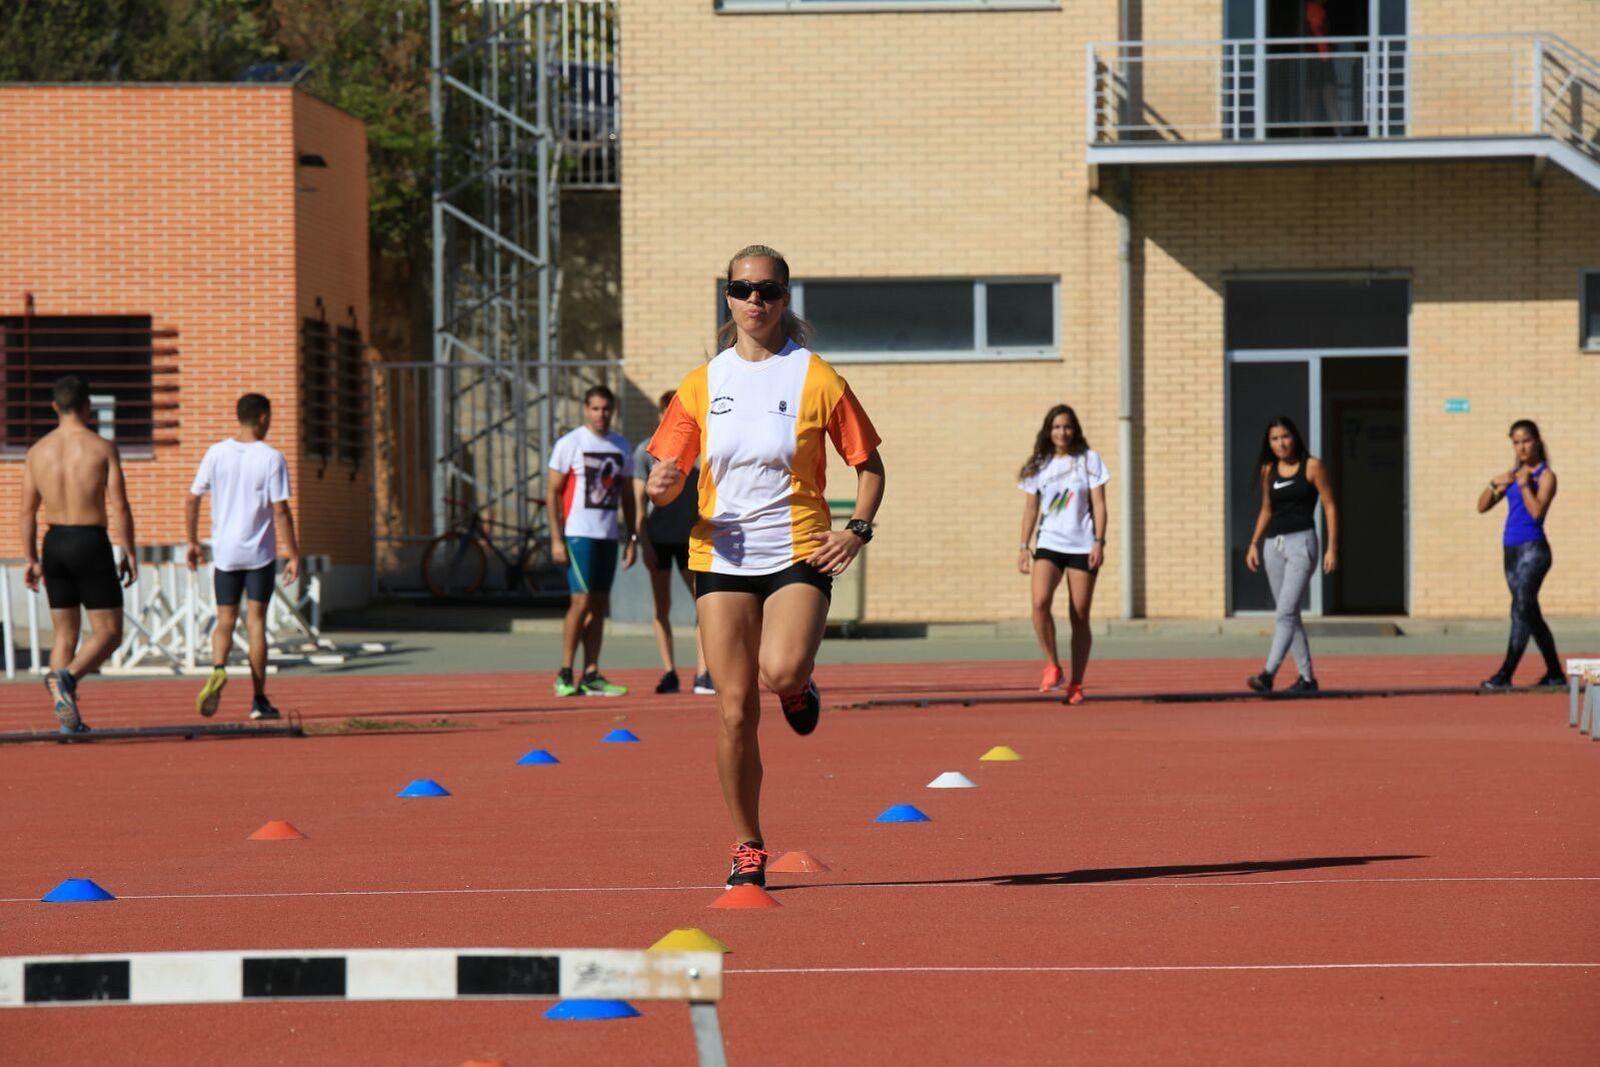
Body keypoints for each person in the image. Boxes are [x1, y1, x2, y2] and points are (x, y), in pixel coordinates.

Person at [647, 244, 885, 891]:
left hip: (797, 548)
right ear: (727, 297)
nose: (755, 301)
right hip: (720, 554)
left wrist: (856, 530)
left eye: (768, 290)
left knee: (778, 667)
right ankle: (747, 842)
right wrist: (663, 482)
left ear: (785, 297)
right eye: (743, 289)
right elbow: (663, 484)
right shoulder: (702, 384)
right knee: (731, 709)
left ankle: (799, 685)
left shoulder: (816, 377)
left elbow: (870, 466)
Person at [19, 375, 138, 733]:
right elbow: (120, 506)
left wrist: (30, 559)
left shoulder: (36, 452)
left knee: (63, 636)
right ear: (88, 406)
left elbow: (27, 511)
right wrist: (129, 550)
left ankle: (66, 718)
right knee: (110, 633)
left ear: (54, 406)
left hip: (54, 543)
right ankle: (66, 678)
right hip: (89, 541)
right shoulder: (101, 448)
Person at [187, 393, 301, 721]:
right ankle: (258, 698)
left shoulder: (216, 453)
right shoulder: (271, 458)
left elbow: (191, 498)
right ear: (263, 418)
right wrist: (293, 554)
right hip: (258, 555)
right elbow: (280, 511)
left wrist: (193, 542)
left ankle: (219, 667)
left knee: (224, 620)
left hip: (224, 553)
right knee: (256, 624)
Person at [1017, 404, 1108, 704]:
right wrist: (1022, 547)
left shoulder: (1089, 460)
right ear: (1048, 431)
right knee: (1040, 602)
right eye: (1056, 427)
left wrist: (1099, 541)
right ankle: (1052, 665)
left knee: (1079, 614)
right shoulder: (1039, 464)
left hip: (1082, 545)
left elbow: (1099, 504)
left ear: (1075, 429)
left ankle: (1077, 684)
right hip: (1049, 543)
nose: (1062, 432)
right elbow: (1031, 509)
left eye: (1067, 427)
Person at [548, 384, 636, 697]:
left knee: (599, 605)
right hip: (577, 535)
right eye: (595, 408)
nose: (601, 414)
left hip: (608, 536)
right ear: (586, 409)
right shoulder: (570, 444)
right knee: (581, 601)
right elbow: (552, 493)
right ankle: (565, 671)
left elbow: (627, 497)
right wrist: (556, 539)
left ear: (613, 410)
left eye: (606, 408)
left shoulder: (621, 446)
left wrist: (631, 537)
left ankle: (591, 672)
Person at [1243, 415, 1338, 693]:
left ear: (1294, 437)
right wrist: (1254, 543)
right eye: (1274, 439)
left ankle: (1268, 674)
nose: (1281, 443)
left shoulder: (1312, 466)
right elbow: (1266, 509)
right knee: (1289, 614)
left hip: (1302, 545)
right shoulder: (1268, 470)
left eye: (1285, 436)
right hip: (1273, 546)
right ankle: (1307, 680)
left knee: (1284, 613)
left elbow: (1330, 507)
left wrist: (1332, 548)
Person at [633, 390, 713, 696]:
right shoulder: (644, 452)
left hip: (688, 538)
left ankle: (704, 672)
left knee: (704, 605)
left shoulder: (697, 448)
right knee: (661, 606)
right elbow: (638, 503)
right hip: (658, 538)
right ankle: (669, 671)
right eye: (666, 413)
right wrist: (642, 543)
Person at [1477, 419, 1564, 690]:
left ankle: (1505, 674)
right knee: (1529, 612)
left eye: (1526, 440)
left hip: (1534, 551)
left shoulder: (1545, 475)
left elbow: (1537, 513)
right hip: (1511, 551)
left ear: (1537, 441)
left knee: (1520, 608)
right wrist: (1494, 484)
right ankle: (1555, 673)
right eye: (1516, 442)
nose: (1521, 447)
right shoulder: (1513, 475)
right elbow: (1481, 507)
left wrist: (1526, 485)